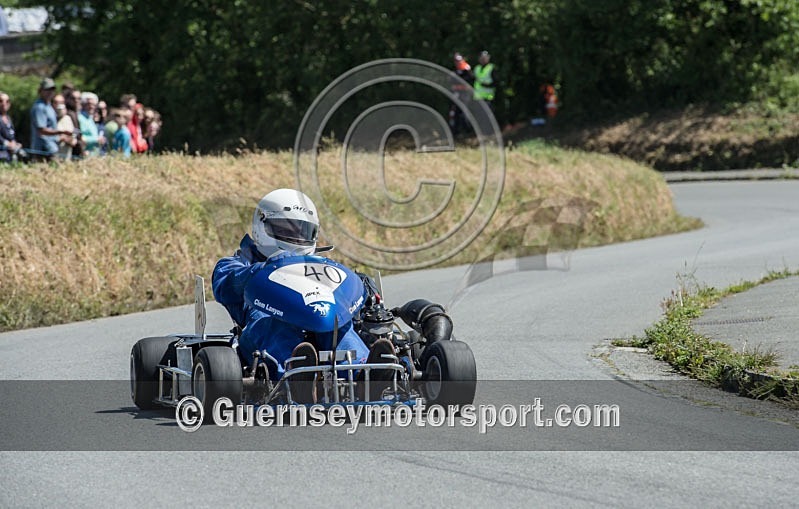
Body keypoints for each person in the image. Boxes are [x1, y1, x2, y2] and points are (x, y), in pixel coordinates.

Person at [212, 189, 395, 403]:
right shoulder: (239, 263)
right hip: (263, 324)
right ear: (261, 225)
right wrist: (264, 270)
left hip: (320, 319)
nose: (296, 238)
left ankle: (365, 376)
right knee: (273, 326)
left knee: (339, 326)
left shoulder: (320, 266)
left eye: (303, 231)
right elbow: (225, 283)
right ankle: (296, 376)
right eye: (285, 229)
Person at [30, 78, 68, 160]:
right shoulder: (39, 107)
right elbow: (42, 130)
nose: (50, 92)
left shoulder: (49, 106)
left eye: (52, 89)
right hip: (43, 150)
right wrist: (61, 132)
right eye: (47, 89)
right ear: (40, 91)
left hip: (52, 147)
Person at [449, 52, 474, 135]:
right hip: (456, 96)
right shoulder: (454, 72)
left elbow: (469, 85)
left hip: (465, 96)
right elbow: (451, 85)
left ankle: (468, 131)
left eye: (459, 60)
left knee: (464, 114)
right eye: (456, 61)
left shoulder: (467, 70)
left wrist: (460, 87)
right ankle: (456, 133)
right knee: (454, 114)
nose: (457, 62)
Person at [0, 91, 25, 162]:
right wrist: (6, 143)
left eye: (7, 101)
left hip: (10, 154)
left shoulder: (8, 118)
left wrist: (15, 143)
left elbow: (11, 135)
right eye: (1, 101)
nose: (4, 103)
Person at [78, 92, 106, 156]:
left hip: (94, 156)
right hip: (84, 155)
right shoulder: (80, 118)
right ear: (83, 104)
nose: (91, 106)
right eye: (88, 104)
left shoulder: (90, 118)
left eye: (93, 104)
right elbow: (80, 138)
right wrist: (97, 139)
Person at [53, 94, 77, 160]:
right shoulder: (51, 118)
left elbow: (74, 136)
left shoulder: (69, 118)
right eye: (56, 102)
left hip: (67, 155)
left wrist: (69, 139)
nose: (59, 105)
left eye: (61, 103)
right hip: (54, 155)